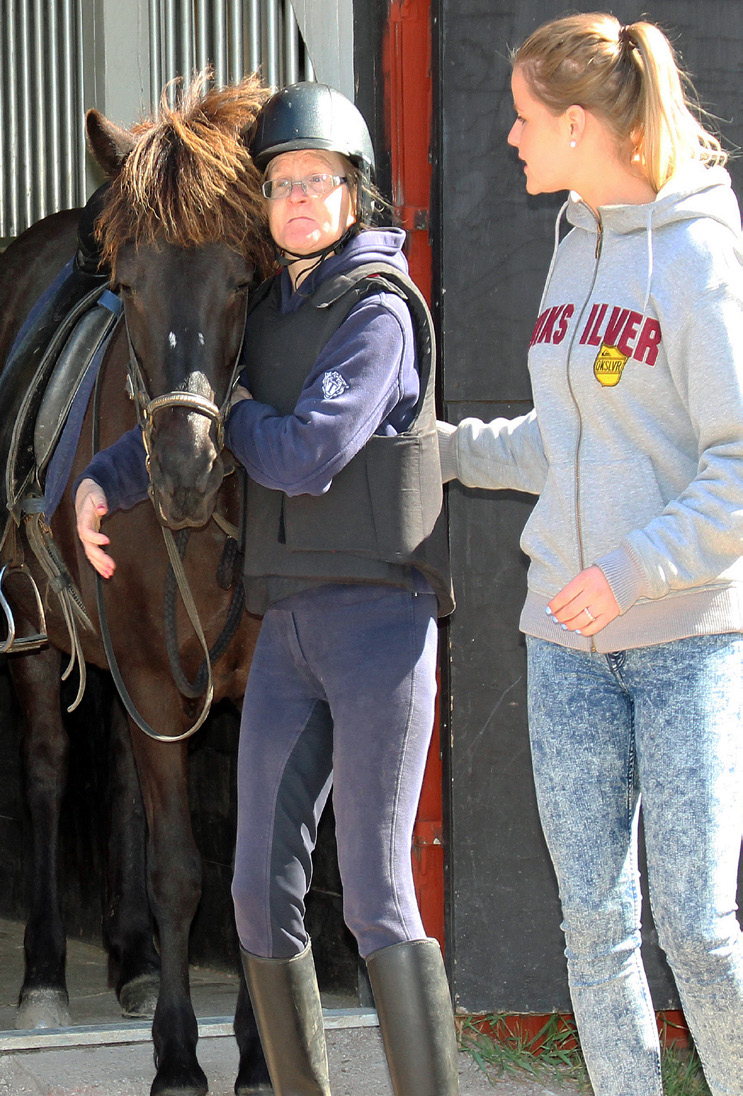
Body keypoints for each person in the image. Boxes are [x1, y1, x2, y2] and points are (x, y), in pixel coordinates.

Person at [75, 81, 458, 1096]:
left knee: (376, 894)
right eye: (280, 183)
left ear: (352, 195)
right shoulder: (272, 307)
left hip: (374, 620)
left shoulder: (375, 312)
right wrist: (99, 479)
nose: (295, 199)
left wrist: (230, 409)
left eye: (314, 183)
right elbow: (183, 405)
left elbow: (302, 451)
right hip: (286, 624)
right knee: (256, 892)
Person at [438, 13, 743, 1096]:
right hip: (560, 647)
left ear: (577, 123)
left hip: (682, 647)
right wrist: (443, 452)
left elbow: (735, 466)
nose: (510, 139)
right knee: (594, 928)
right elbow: (564, 440)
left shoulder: (700, 255)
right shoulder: (573, 244)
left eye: (523, 119)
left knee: (700, 934)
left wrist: (628, 570)